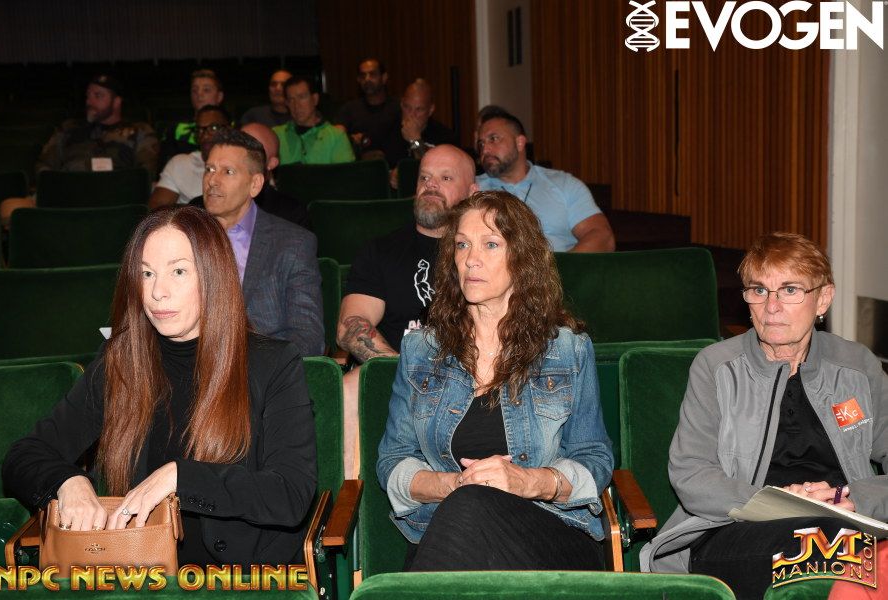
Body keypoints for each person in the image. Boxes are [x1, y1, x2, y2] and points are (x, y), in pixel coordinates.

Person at [2, 206, 317, 567]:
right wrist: (67, 481)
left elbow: (290, 494)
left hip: (241, 578)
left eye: (178, 272)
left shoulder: (273, 363)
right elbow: (23, 456)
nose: (157, 292)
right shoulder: (122, 361)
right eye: (146, 273)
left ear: (213, 276)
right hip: (140, 573)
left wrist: (181, 477)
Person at [641, 232, 888, 599]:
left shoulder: (857, 366)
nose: (771, 306)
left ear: (823, 298)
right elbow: (691, 474)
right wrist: (773, 501)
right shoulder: (716, 367)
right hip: (733, 530)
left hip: (844, 523)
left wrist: (853, 497)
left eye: (789, 290)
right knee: (830, 543)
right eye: (759, 290)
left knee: (839, 542)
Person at [377, 190, 613, 571]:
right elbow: (392, 460)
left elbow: (595, 459)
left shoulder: (566, 350)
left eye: (490, 244)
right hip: (450, 531)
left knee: (467, 511)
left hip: (550, 533)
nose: (471, 259)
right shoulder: (421, 351)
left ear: (522, 259)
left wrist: (527, 482)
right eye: (462, 245)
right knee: (467, 505)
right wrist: (454, 485)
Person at [338, 144, 477, 475]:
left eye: (445, 178)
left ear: (472, 192)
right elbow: (351, 325)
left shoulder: (483, 254)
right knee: (350, 386)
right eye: (424, 177)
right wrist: (405, 371)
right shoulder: (381, 251)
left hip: (470, 372)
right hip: (396, 370)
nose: (431, 185)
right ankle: (350, 500)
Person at [201, 129, 323, 357]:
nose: (212, 181)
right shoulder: (183, 236)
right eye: (209, 169)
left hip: (260, 370)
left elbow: (308, 337)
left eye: (228, 171)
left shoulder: (293, 244)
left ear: (255, 184)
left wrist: (243, 363)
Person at [0, 74, 159, 222]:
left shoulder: (138, 131)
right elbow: (44, 165)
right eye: (88, 96)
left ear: (116, 102)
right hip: (68, 196)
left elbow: (146, 172)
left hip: (117, 197)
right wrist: (60, 186)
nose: (89, 102)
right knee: (10, 208)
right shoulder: (68, 128)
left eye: (98, 96)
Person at [476, 107, 615, 253]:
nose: (485, 150)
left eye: (493, 139)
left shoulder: (564, 184)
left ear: (520, 142)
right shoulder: (474, 189)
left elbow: (602, 236)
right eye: (481, 144)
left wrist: (562, 266)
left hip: (560, 264)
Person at [149, 105, 230, 208]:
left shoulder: (240, 166)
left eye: (213, 128)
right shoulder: (180, 164)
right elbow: (156, 209)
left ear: (229, 130)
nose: (205, 135)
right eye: (199, 129)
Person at [273, 76, 354, 165]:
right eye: (291, 100)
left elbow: (345, 173)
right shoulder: (276, 135)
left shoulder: (335, 136)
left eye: (302, 97)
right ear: (286, 103)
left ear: (315, 99)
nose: (296, 105)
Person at [335, 58, 401, 159]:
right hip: (360, 167)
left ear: (384, 78)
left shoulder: (399, 107)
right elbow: (335, 138)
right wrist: (350, 140)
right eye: (363, 76)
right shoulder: (349, 109)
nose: (367, 79)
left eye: (372, 74)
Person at [383, 79, 457, 169]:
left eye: (419, 109)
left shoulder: (444, 137)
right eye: (407, 107)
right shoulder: (387, 130)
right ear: (401, 104)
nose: (411, 115)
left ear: (430, 110)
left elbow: (437, 169)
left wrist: (416, 140)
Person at [160, 69, 225, 166]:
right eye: (195, 90)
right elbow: (165, 163)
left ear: (219, 96)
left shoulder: (232, 128)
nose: (199, 94)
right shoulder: (176, 129)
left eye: (206, 90)